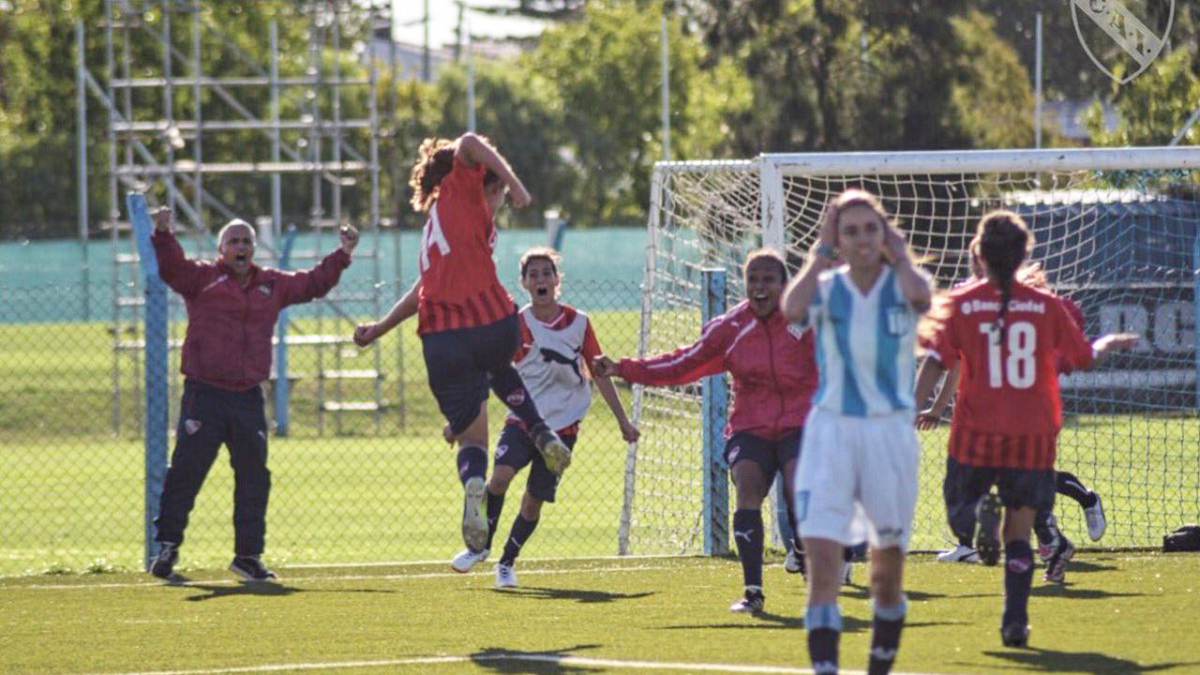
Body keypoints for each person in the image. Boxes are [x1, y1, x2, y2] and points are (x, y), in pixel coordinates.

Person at [914, 210, 1137, 648]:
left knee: (961, 517)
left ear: (978, 254)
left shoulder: (958, 304)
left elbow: (935, 361)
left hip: (975, 434)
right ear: (1023, 256)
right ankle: (1015, 621)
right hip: (1032, 436)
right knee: (1021, 534)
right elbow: (1083, 357)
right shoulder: (1047, 307)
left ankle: (978, 522)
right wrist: (1107, 343)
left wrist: (912, 406)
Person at [352, 133, 571, 565]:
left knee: (473, 439)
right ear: (484, 182)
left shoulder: (439, 223)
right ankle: (541, 430)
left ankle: (474, 481)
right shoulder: (462, 185)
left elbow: (422, 291)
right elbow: (470, 140)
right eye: (501, 193)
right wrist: (518, 181)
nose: (503, 201)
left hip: (442, 339)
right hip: (493, 322)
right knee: (499, 365)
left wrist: (379, 328)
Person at [594, 248, 819, 614]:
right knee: (748, 488)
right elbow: (681, 363)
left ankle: (808, 557)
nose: (760, 287)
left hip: (802, 423)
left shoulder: (806, 321)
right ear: (744, 284)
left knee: (799, 491)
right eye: (753, 279)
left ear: (784, 284)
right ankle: (753, 592)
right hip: (751, 426)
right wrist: (623, 368)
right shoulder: (730, 328)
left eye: (768, 279)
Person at [148, 208, 359, 582]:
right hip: (205, 393)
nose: (241, 247)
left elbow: (312, 283)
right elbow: (172, 268)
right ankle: (166, 547)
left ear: (254, 248)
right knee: (186, 472)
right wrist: (163, 233)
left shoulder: (271, 284)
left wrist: (342, 254)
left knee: (253, 478)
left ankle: (247, 557)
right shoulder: (202, 279)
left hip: (247, 397)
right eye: (234, 241)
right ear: (221, 249)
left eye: (247, 241)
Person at [781, 189, 931, 675]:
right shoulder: (825, 289)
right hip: (831, 433)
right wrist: (819, 252)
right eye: (851, 231)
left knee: (885, 577)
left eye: (871, 228)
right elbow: (790, 308)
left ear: (883, 232)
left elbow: (923, 297)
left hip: (889, 436)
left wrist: (900, 251)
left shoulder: (902, 284)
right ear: (837, 239)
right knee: (822, 566)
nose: (862, 239)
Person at [450, 246, 640, 587]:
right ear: (523, 282)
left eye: (546, 274)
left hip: (563, 427)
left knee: (533, 501)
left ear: (557, 280)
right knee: (500, 477)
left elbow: (599, 373)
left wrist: (623, 422)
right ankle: (480, 546)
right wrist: (459, 419)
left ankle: (506, 563)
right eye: (533, 274)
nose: (541, 280)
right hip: (525, 420)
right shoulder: (516, 324)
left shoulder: (579, 323)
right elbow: (489, 371)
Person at [916, 261, 1109, 580]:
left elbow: (1065, 342)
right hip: (984, 409)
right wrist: (941, 405)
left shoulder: (1029, 300)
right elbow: (956, 361)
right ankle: (1046, 541)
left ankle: (1061, 525)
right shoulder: (966, 299)